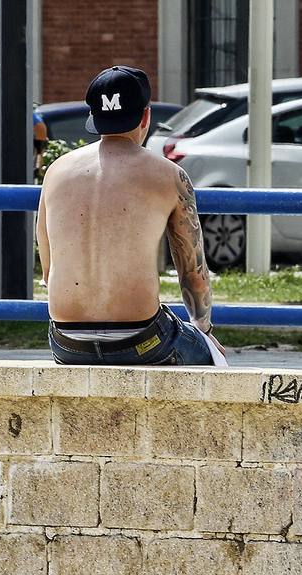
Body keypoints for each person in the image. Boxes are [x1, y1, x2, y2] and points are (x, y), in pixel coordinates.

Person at [36, 65, 224, 367]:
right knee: (214, 362)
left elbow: (48, 272)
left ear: (93, 118)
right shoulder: (170, 175)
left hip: (66, 342)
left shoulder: (56, 171)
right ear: (146, 116)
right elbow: (194, 275)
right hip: (141, 341)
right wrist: (203, 331)